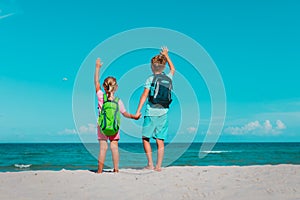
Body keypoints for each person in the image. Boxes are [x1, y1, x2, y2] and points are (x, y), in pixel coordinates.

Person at [94, 58, 140, 173]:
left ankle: (100, 170)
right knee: (114, 147)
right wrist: (134, 116)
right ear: (116, 87)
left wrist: (98, 68)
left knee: (103, 148)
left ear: (105, 87)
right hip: (114, 128)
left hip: (102, 127)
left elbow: (96, 83)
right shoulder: (118, 101)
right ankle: (116, 169)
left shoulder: (101, 97)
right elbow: (125, 114)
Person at [135, 47, 175, 171]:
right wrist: (166, 55)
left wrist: (138, 110)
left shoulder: (150, 79)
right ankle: (158, 166)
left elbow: (144, 95)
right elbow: (173, 69)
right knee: (160, 140)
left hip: (151, 112)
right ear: (163, 67)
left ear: (152, 67)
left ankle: (150, 164)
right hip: (164, 112)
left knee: (145, 138)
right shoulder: (168, 77)